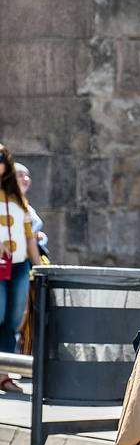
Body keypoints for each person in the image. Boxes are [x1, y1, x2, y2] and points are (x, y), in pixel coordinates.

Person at [0, 145, 40, 393]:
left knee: (13, 321)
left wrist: (40, 267)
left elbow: (29, 237)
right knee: (0, 315)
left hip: (18, 265)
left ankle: (3, 374)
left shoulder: (17, 199)